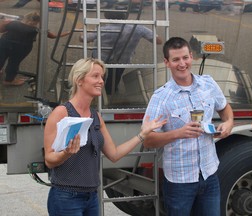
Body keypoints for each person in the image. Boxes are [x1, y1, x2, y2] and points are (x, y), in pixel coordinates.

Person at [44, 58, 166, 216]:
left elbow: (114, 154)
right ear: (79, 80)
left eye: (102, 77)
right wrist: (66, 153)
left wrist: (142, 134)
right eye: (95, 76)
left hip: (92, 196)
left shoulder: (96, 116)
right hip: (66, 196)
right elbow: (49, 159)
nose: (101, 81)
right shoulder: (61, 113)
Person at [143, 37, 234, 216]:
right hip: (180, 181)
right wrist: (178, 133)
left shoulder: (208, 84)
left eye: (185, 58)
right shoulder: (161, 97)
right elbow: (147, 139)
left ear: (192, 57)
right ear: (166, 62)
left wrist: (228, 123)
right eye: (176, 59)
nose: (182, 64)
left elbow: (225, 109)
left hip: (209, 174)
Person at [80, 11, 162, 95]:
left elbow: (83, 39)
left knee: (98, 73)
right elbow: (158, 41)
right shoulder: (137, 28)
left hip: (100, 58)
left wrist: (82, 34)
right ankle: (110, 92)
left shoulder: (102, 29)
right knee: (115, 77)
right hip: (122, 59)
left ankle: (96, 89)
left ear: (107, 17)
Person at [0, 11, 69, 86]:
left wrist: (4, 23)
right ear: (37, 21)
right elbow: (53, 36)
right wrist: (67, 32)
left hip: (4, 43)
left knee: (1, 58)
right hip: (22, 47)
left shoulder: (12, 23)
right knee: (14, 63)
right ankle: (9, 80)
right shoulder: (37, 29)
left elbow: (1, 30)